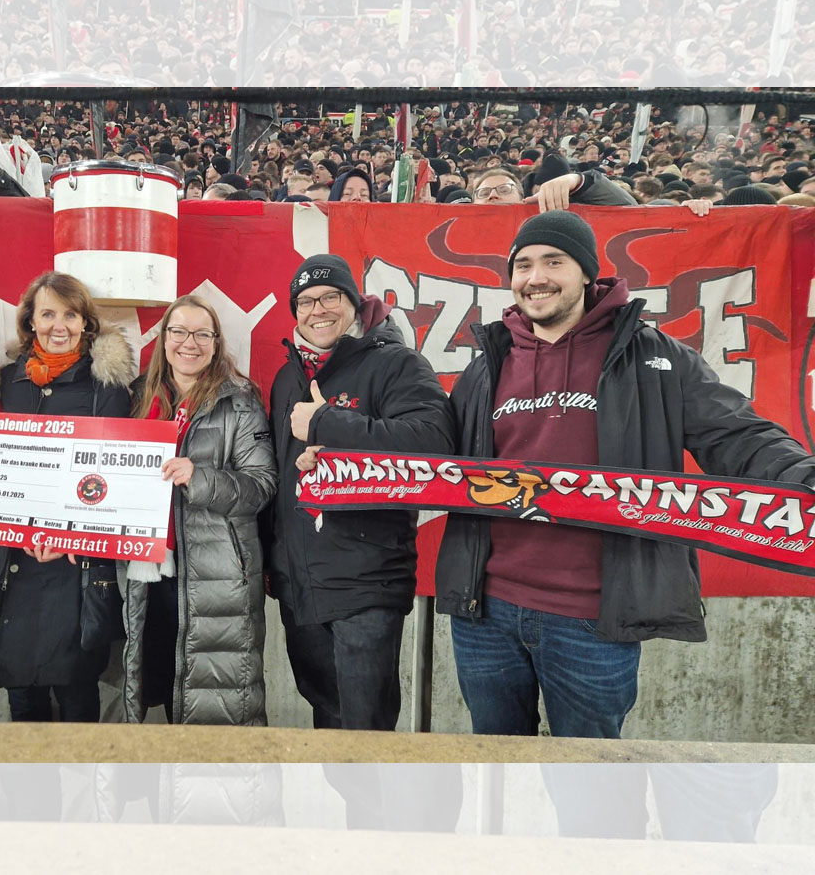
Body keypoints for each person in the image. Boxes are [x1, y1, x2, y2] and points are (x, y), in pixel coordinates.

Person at [437, 210, 815, 738]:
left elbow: (736, 434)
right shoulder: (488, 361)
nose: (535, 277)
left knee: (595, 787)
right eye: (522, 265)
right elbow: (432, 452)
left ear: (588, 273)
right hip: (487, 611)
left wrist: (804, 475)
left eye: (554, 261)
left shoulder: (655, 357)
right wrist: (341, 450)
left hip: (594, 619)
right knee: (497, 776)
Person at [269, 254, 454, 730]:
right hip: (300, 586)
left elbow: (434, 445)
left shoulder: (396, 363)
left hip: (366, 583)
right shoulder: (287, 375)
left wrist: (328, 422)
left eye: (331, 297)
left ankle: (374, 809)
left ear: (353, 302)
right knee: (327, 722)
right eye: (306, 302)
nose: (318, 310)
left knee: (365, 732)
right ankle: (337, 809)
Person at [0, 270, 135, 722]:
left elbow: (116, 475)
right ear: (30, 321)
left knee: (78, 692)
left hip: (75, 563)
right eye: (48, 314)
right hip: (14, 560)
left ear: (85, 323)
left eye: (70, 315)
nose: (59, 325)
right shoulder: (6, 383)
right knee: (22, 695)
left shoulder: (107, 387)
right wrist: (17, 529)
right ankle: (30, 794)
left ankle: (86, 792)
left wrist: (72, 534)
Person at [123, 295, 277, 726]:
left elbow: (262, 486)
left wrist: (201, 477)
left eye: (201, 333)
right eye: (179, 331)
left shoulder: (240, 401)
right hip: (149, 576)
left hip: (217, 579)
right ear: (164, 338)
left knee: (208, 705)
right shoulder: (138, 398)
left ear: (215, 341)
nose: (189, 343)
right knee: (153, 688)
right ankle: (157, 794)